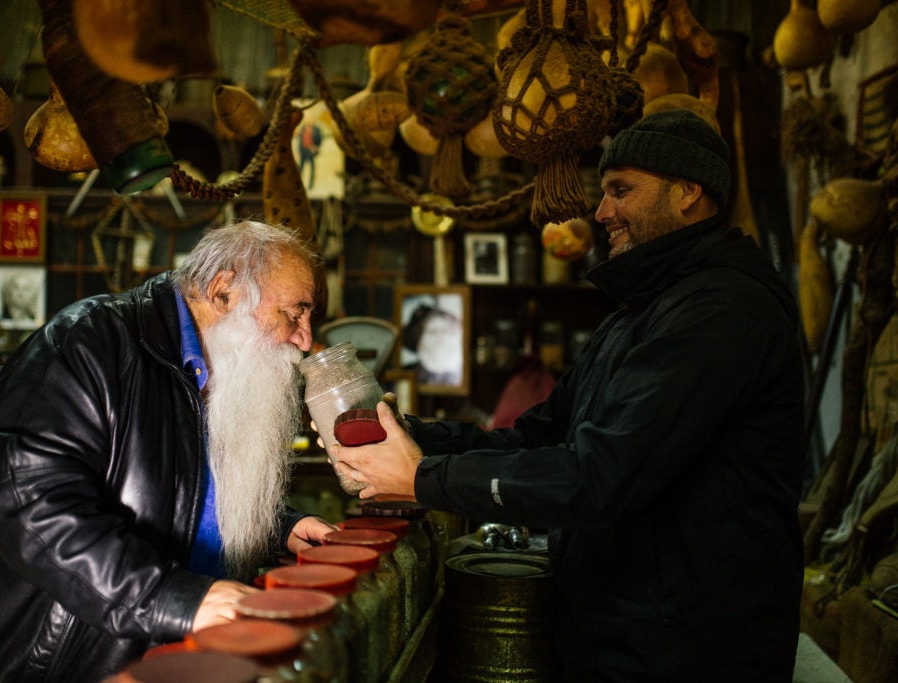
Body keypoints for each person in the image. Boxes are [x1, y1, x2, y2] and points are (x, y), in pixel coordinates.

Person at [333, 110, 805, 681]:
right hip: (623, 635)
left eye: (620, 191)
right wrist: (411, 437)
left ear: (687, 193)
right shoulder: (641, 313)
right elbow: (539, 436)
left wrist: (424, 478)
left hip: (687, 650)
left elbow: (601, 476)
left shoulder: (722, 309)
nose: (601, 213)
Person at [0, 221, 339, 681]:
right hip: (53, 663)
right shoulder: (85, 342)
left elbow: (182, 486)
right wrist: (174, 597)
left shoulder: (220, 361)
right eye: (294, 313)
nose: (304, 339)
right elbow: (27, 505)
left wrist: (278, 525)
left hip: (171, 649)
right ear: (224, 292)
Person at [401, 302, 464, 387]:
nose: (440, 337)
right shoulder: (405, 374)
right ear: (419, 340)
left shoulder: (461, 373)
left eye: (444, 331)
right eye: (432, 332)